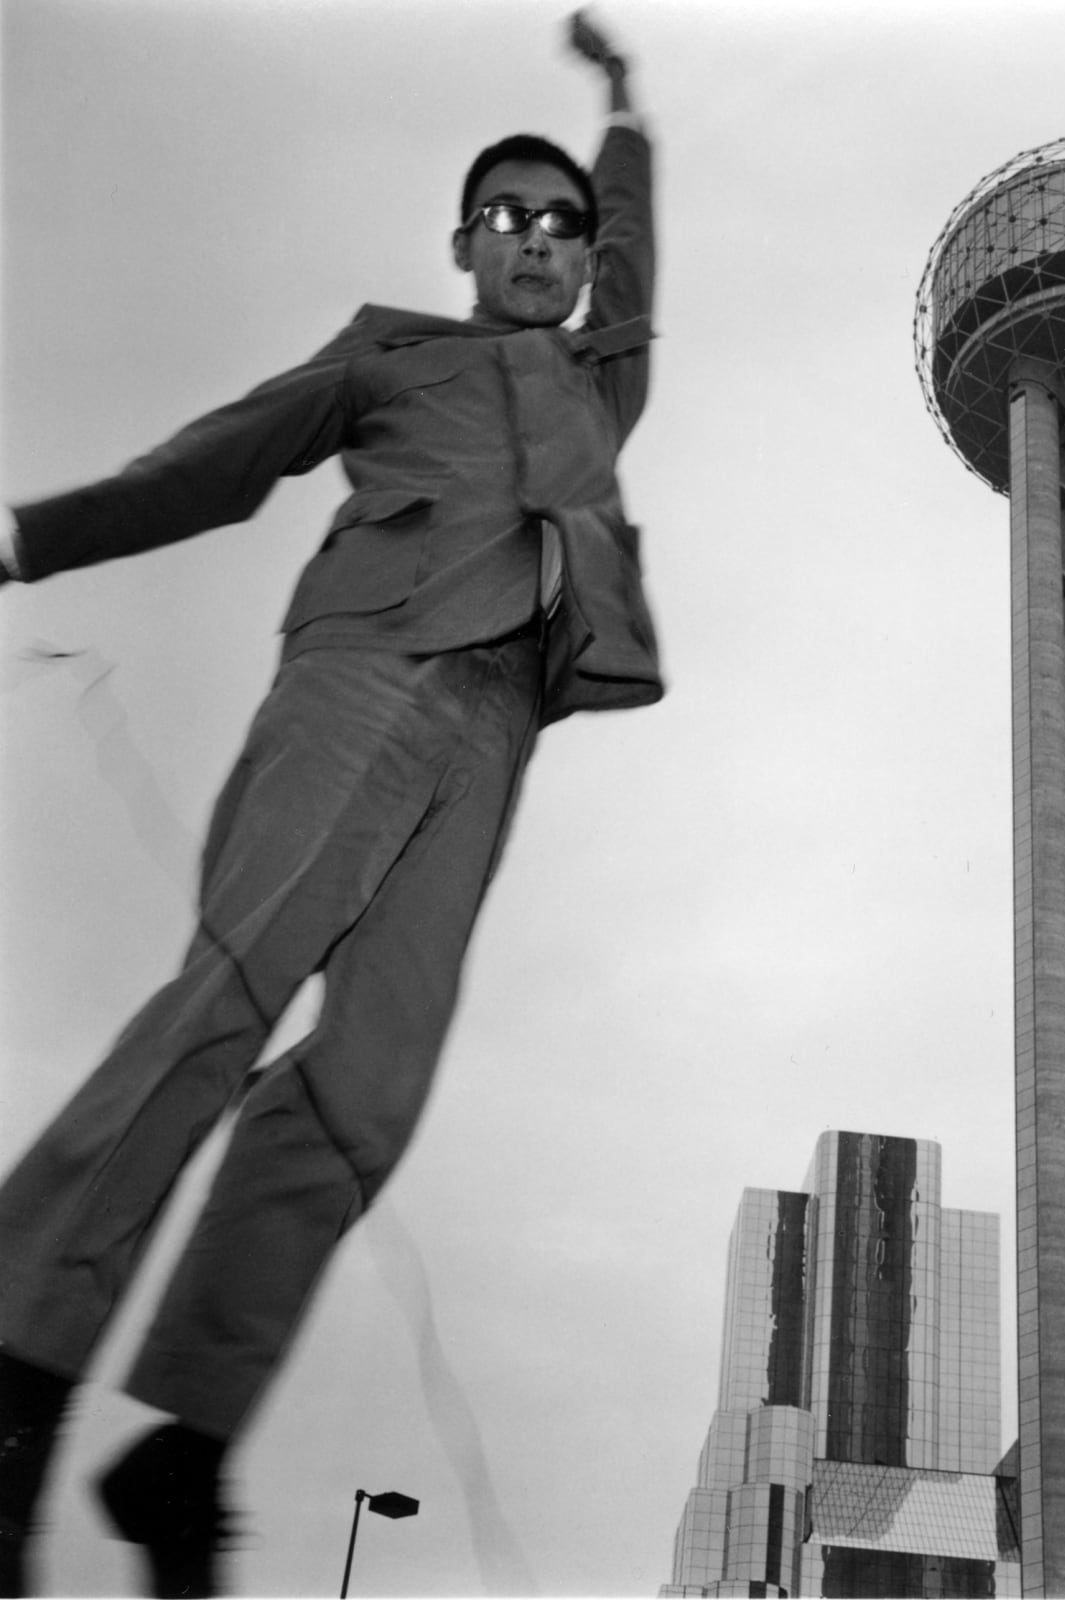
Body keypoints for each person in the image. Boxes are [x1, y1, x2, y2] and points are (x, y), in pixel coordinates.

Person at [0, 12, 658, 1596]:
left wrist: (627, 107)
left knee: (369, 1091)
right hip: (362, 676)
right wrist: (27, 538)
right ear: (463, 243)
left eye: (562, 225)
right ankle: (16, 1377)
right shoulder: (386, 351)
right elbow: (217, 460)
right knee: (225, 1002)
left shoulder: (604, 377)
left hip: (494, 733)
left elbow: (643, 253)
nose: (538, 241)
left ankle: (185, 1444)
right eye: (507, 216)